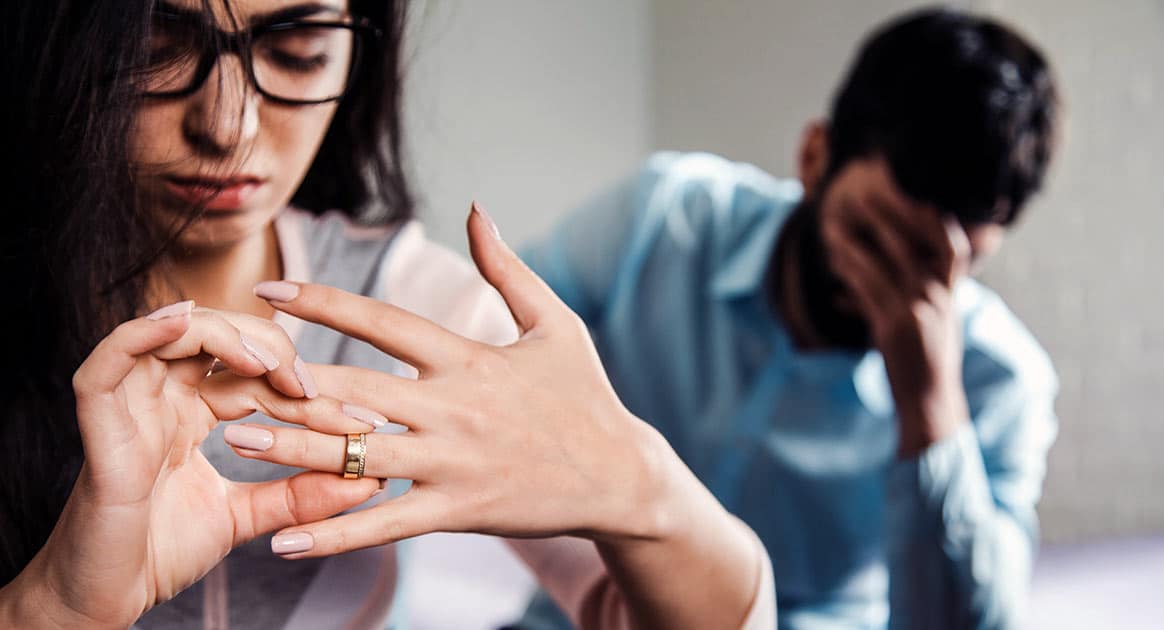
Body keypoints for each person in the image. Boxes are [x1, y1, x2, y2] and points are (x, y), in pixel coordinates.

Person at [0, 1, 773, 628]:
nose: (228, 126)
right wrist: (55, 610)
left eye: (298, 45)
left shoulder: (432, 309)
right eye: (157, 43)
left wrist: (644, 485)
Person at [517, 8, 1059, 630]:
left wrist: (930, 410)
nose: (892, 287)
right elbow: (493, 340)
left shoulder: (1000, 382)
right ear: (814, 157)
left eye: (936, 266)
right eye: (871, 236)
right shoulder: (663, 221)